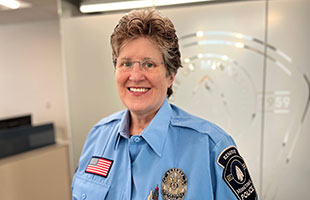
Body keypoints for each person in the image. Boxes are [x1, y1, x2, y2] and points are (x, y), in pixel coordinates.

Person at [71, 8, 258, 200]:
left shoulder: (211, 147)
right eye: (126, 64)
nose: (135, 76)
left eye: (149, 64)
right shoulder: (97, 136)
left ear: (170, 76)